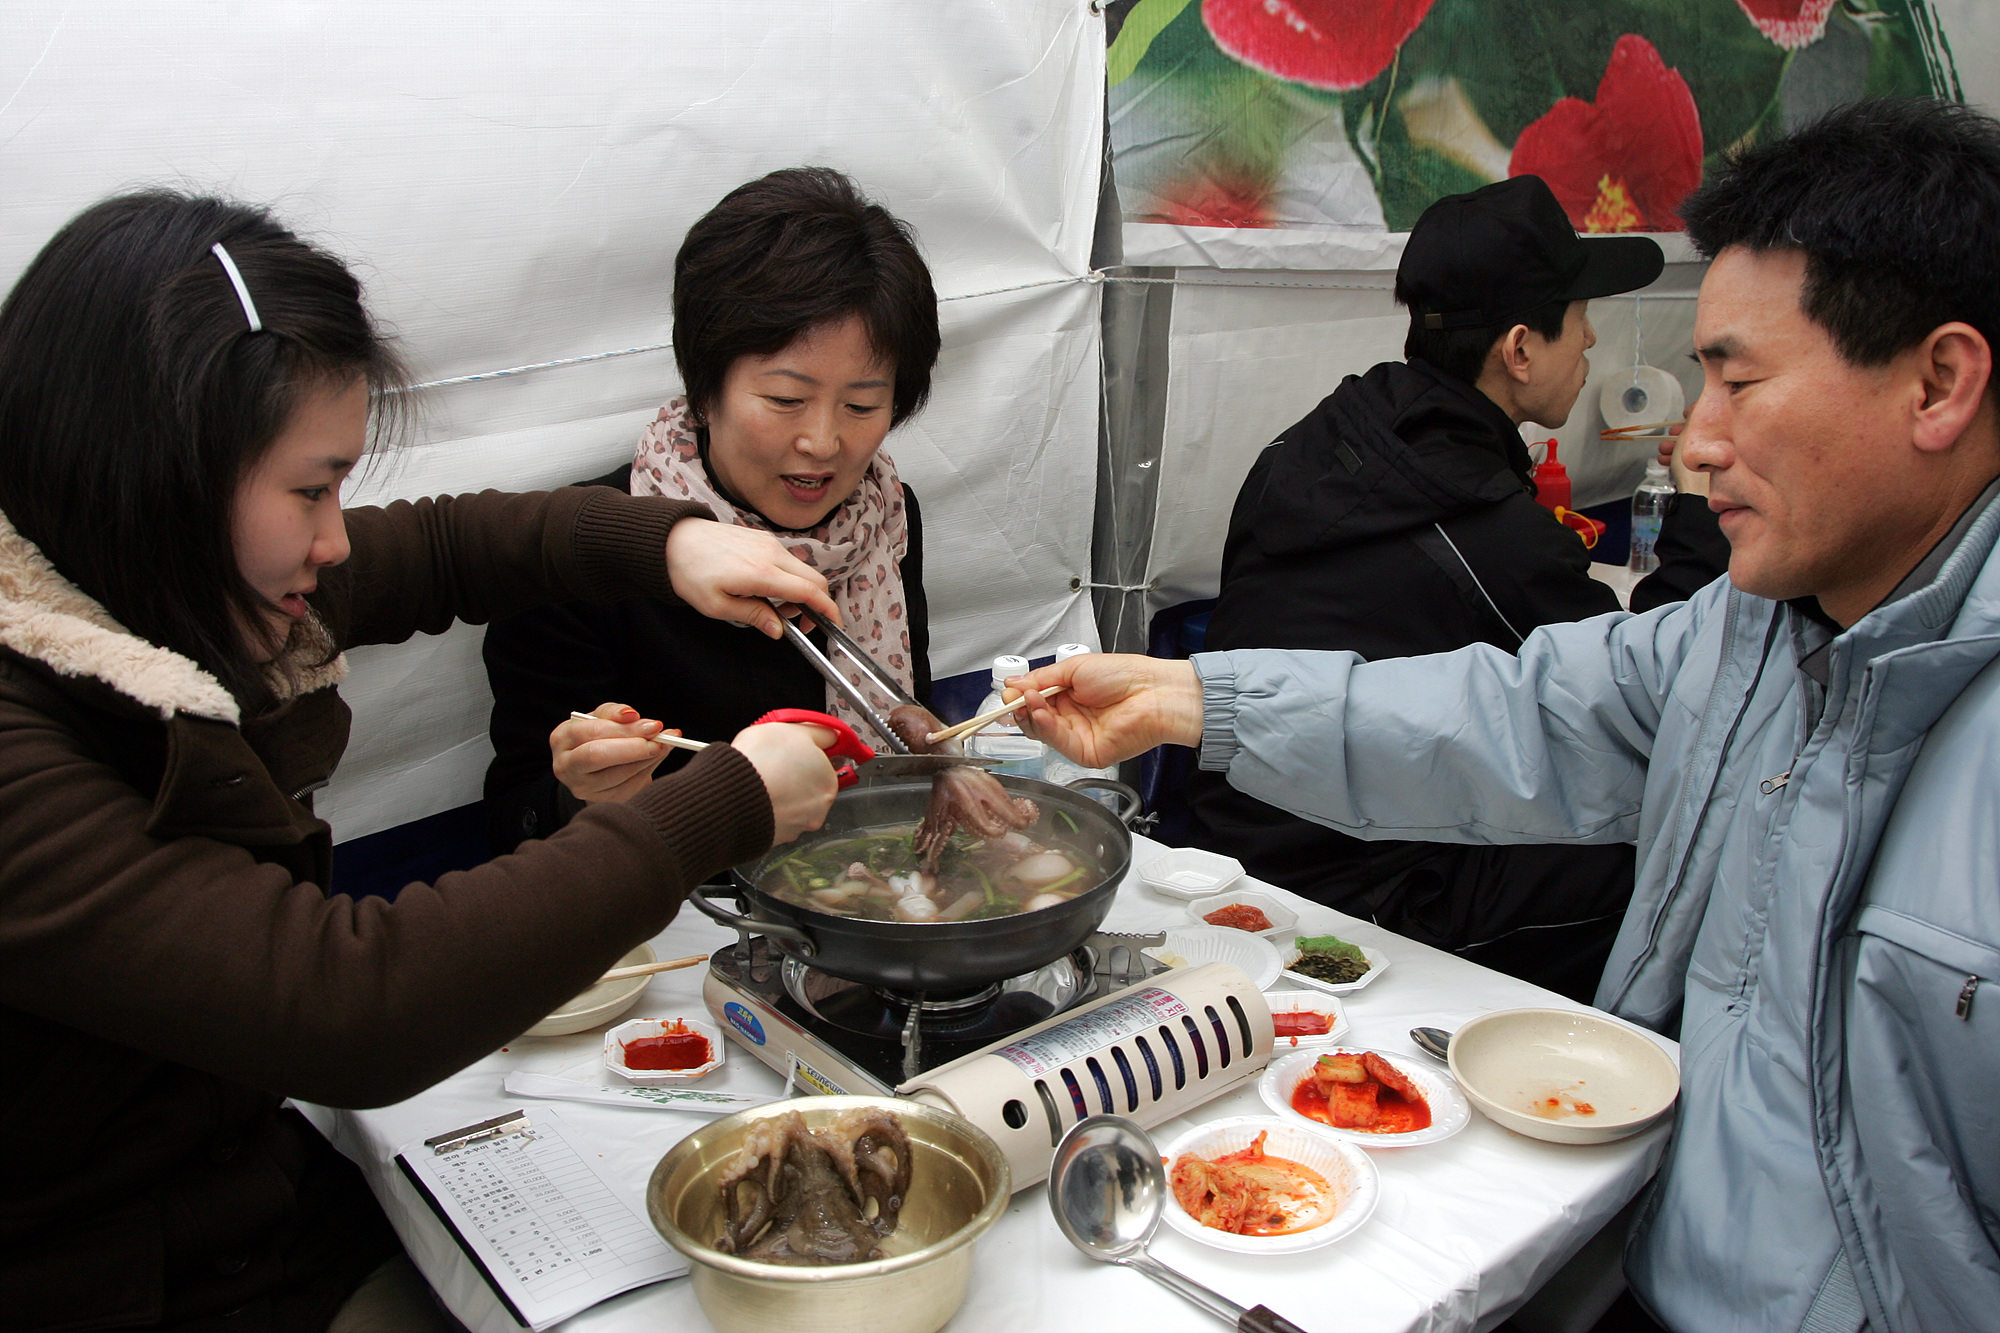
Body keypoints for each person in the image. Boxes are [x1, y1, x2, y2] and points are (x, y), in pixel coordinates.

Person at [1011, 97, 2000, 1333]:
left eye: (1736, 380)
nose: (1690, 440)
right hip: (1636, 1257)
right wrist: (1193, 697)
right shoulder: (1740, 632)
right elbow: (1512, 711)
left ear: (1939, 383)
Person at [0, 192, 845, 1330]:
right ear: (156, 475)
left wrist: (672, 541)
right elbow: (347, 1002)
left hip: (251, 1212)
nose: (336, 540)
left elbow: (449, 546)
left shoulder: (156, 581)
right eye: (310, 488)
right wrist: (723, 801)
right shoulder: (23, 740)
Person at [1185, 174, 1670, 999]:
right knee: (1661, 859)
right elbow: (1640, 699)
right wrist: (1690, 518)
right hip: (1356, 891)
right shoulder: (1479, 520)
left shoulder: (1324, 440)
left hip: (1243, 832)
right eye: (1579, 321)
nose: (1590, 344)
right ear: (1519, 349)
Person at [483, 167, 940, 851]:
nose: (822, 441)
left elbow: (902, 714)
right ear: (705, 389)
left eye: (862, 405)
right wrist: (583, 793)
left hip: (866, 887)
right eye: (786, 400)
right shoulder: (578, 553)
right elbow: (515, 822)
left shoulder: (884, 517)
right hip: (672, 917)